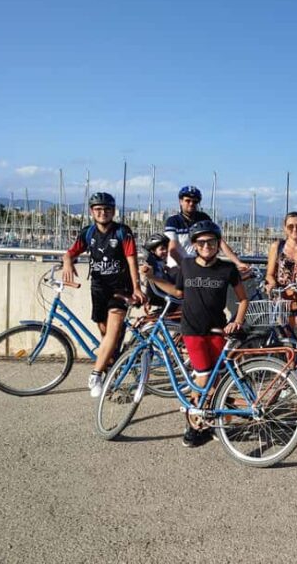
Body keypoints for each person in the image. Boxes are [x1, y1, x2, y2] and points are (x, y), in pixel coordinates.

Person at [143, 220, 249, 448]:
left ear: (218, 244)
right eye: (201, 242)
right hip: (192, 330)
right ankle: (194, 426)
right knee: (202, 378)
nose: (207, 246)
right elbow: (178, 292)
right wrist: (153, 279)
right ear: (194, 245)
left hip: (218, 330)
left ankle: (214, 422)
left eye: (211, 241)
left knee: (219, 379)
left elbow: (243, 299)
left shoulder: (227, 269)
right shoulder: (188, 266)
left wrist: (237, 321)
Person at [62, 192, 145, 397]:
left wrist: (136, 287)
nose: (103, 213)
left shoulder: (122, 232)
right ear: (92, 212)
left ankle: (96, 374)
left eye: (107, 209)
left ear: (113, 211)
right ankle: (112, 372)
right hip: (99, 289)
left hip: (120, 290)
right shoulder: (88, 233)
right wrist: (67, 262)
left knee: (112, 333)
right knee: (106, 334)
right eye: (98, 209)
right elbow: (71, 252)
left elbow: (131, 260)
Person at [164, 185, 249, 272]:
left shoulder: (203, 218)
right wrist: (186, 268)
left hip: (200, 267)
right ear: (180, 201)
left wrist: (238, 263)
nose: (191, 204)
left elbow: (220, 243)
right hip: (178, 267)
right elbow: (172, 250)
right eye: (187, 200)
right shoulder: (173, 221)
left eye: (195, 202)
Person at [142, 233, 178, 313]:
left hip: (161, 291)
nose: (165, 251)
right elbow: (150, 281)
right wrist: (148, 298)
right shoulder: (152, 262)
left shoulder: (159, 262)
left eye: (166, 248)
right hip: (159, 293)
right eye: (161, 249)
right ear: (153, 251)